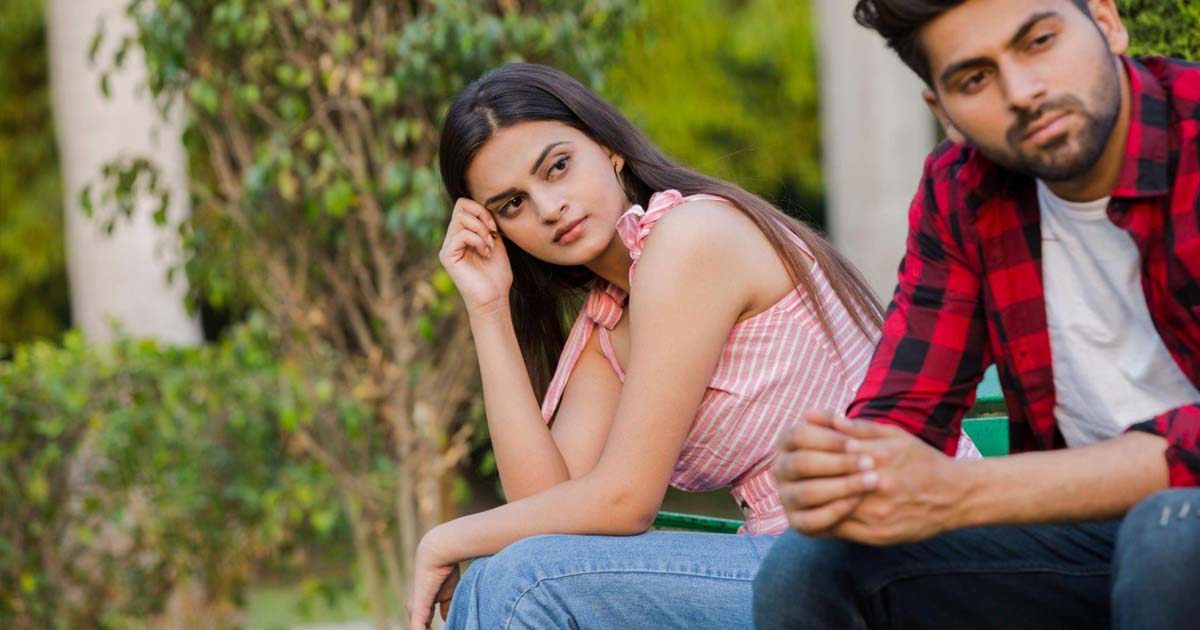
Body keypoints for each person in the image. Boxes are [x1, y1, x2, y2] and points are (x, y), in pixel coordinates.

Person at [754, 1, 1200, 628]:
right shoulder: (962, 191)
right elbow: (901, 417)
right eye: (974, 79)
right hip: (1092, 545)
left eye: (1039, 41)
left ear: (1105, 21)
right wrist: (842, 471)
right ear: (944, 113)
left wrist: (963, 493)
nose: (1023, 92)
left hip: (1174, 540)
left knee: (1172, 532)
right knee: (816, 562)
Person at [403, 62, 890, 629]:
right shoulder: (614, 319)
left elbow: (625, 501)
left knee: (520, 584)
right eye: (512, 204)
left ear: (608, 147)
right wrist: (488, 309)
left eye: (557, 167)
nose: (548, 207)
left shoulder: (690, 240)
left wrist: (444, 538)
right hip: (798, 560)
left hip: (880, 553)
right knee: (509, 574)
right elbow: (545, 517)